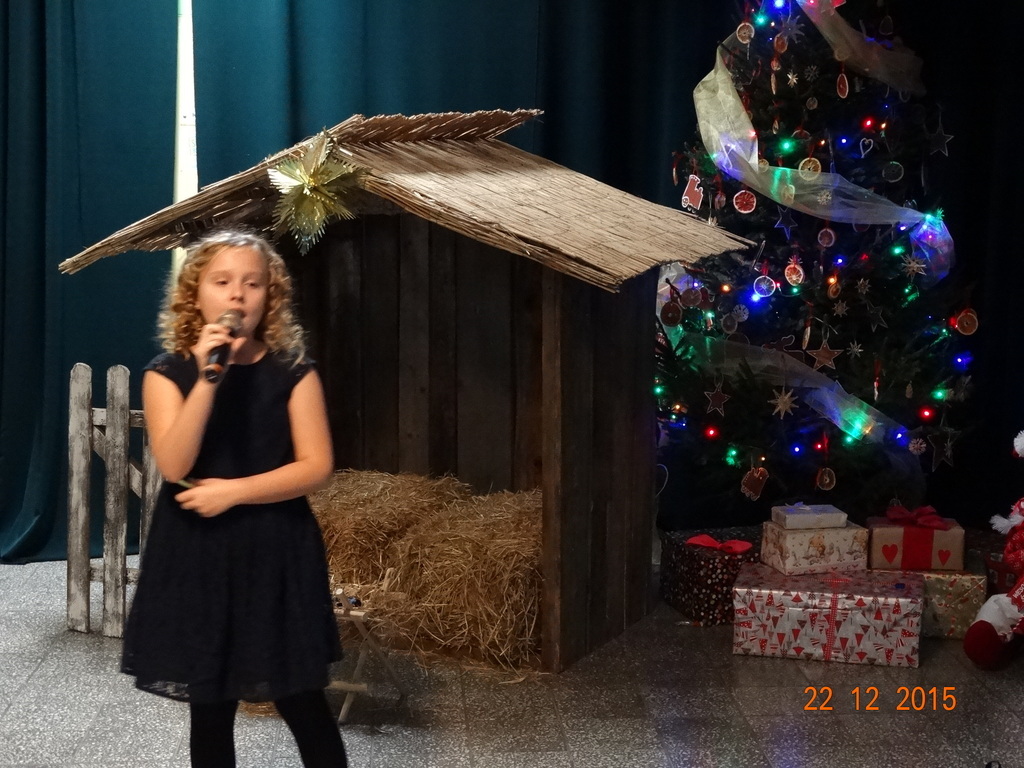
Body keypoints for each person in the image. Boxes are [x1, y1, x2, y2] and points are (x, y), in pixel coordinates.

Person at [121, 229, 347, 767]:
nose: (237, 294)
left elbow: (317, 466)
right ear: (195, 294)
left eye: (252, 283)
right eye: (222, 282)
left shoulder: (294, 371)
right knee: (210, 704)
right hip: (197, 553)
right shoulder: (166, 373)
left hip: (276, 549)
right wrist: (207, 379)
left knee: (300, 698)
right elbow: (175, 465)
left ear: (270, 296)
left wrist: (236, 493)